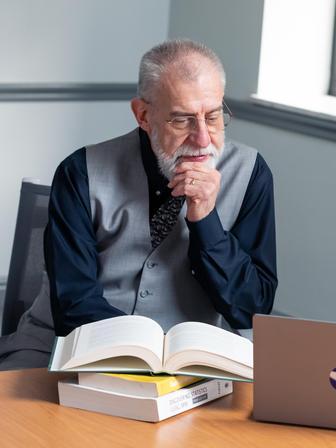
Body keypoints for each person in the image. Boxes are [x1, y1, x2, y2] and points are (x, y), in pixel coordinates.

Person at [0, 39, 277, 369]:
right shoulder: (79, 172)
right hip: (65, 347)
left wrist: (206, 220)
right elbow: (73, 304)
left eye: (213, 117)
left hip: (190, 362)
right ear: (143, 114)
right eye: (182, 119)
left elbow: (251, 309)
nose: (202, 138)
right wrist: (142, 354)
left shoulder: (252, 174)